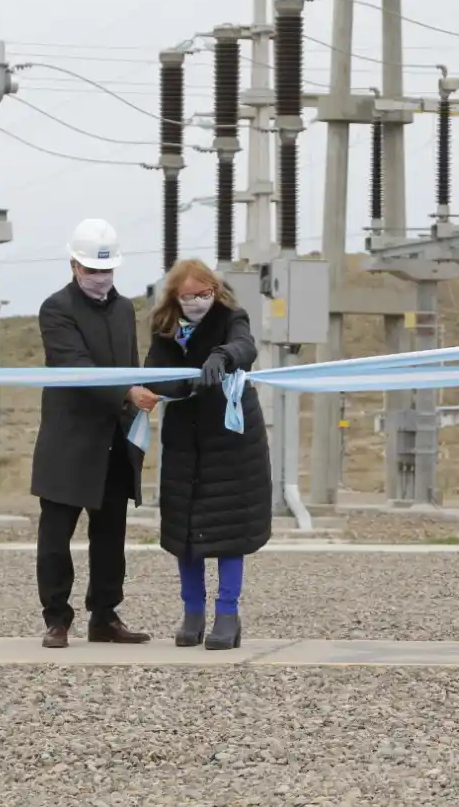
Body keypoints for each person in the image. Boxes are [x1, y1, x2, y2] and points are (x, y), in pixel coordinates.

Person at [30, 218, 157, 649]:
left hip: (114, 441)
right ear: (74, 265)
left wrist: (145, 391)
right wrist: (127, 393)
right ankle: (56, 618)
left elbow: (130, 364)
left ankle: (104, 616)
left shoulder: (124, 310)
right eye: (92, 269)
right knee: (55, 538)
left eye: (106, 269)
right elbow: (74, 365)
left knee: (110, 537)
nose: (100, 277)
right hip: (69, 442)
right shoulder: (56, 309)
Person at [140, 259, 271, 650]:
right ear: (174, 297)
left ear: (215, 291)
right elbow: (154, 370)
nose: (197, 301)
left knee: (229, 530)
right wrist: (179, 386)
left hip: (231, 439)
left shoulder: (231, 317)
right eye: (188, 296)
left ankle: (227, 613)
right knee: (185, 529)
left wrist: (222, 357)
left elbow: (245, 347)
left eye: (204, 294)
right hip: (185, 439)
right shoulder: (166, 326)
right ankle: (192, 611)